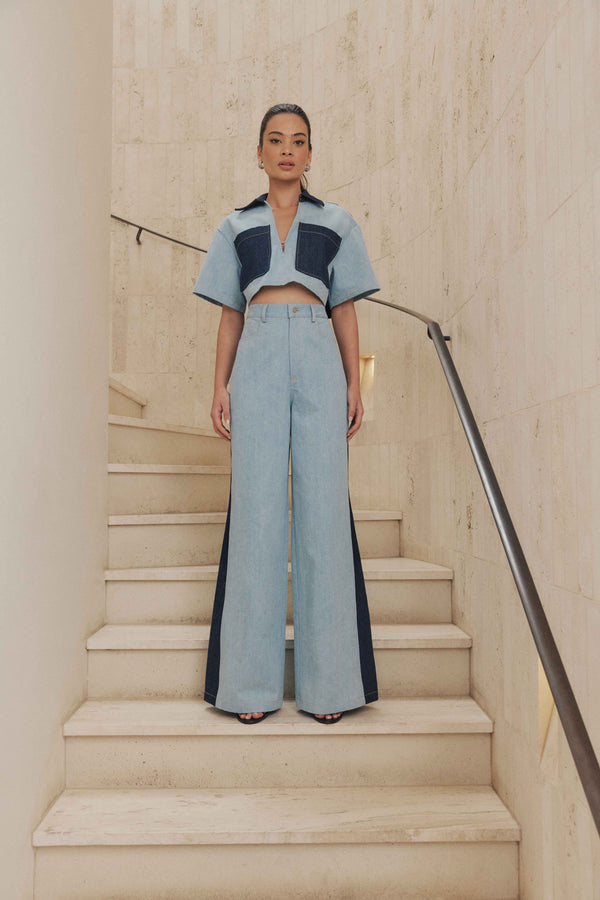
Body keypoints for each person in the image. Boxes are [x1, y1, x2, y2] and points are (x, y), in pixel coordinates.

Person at [192, 103, 380, 725]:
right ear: (259, 152)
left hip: (320, 354)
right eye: (275, 140)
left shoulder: (337, 221)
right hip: (259, 355)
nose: (286, 150)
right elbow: (229, 315)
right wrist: (220, 386)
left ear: (309, 152)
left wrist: (355, 383)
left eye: (298, 141)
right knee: (257, 516)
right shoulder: (235, 225)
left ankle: (330, 691)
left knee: (324, 513)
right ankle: (248, 689)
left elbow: (346, 308)